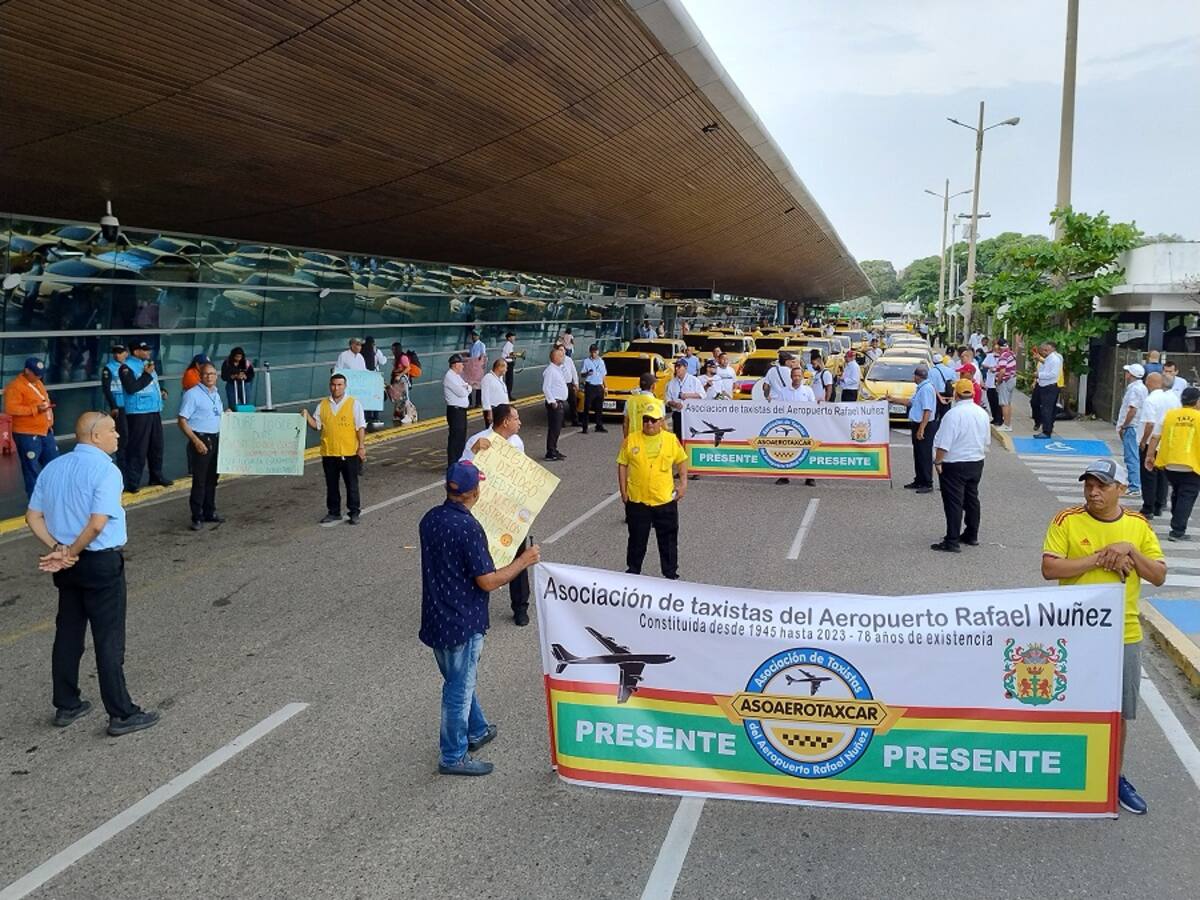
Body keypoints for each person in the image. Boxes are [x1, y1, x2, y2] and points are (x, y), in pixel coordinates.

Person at [1041, 458, 1165, 815]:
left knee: (1118, 711)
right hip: (1075, 632)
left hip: (1123, 634)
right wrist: (1100, 558)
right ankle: (1067, 772)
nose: (1093, 492)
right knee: (1072, 705)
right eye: (1088, 485)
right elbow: (1050, 568)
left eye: (1101, 485)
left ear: (1121, 489)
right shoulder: (1067, 520)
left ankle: (1114, 776)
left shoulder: (1138, 526)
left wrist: (1129, 550)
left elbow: (1158, 575)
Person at [25, 411, 159, 736]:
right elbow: (98, 523)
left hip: (68, 566)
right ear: (95, 436)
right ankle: (121, 713)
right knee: (109, 638)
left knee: (68, 633)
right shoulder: (106, 470)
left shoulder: (54, 467)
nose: (118, 435)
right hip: (99, 562)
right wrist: (71, 551)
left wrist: (59, 549)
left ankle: (67, 704)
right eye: (112, 430)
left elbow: (32, 516)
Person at [419, 461, 541, 775]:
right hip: (463, 620)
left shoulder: (429, 519)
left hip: (436, 616)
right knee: (458, 689)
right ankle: (452, 756)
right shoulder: (468, 527)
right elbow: (487, 581)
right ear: (474, 491)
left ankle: (476, 729)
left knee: (459, 679)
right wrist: (524, 561)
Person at [461, 404, 533, 625]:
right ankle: (473, 605)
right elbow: (460, 471)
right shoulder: (477, 440)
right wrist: (473, 451)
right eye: (516, 419)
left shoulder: (516, 442)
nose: (519, 423)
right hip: (485, 511)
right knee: (479, 559)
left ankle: (520, 607)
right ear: (505, 422)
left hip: (510, 510)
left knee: (518, 556)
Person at [617, 399, 688, 580]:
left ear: (661, 421)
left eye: (653, 420)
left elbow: (681, 460)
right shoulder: (631, 439)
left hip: (664, 500)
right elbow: (622, 464)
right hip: (638, 500)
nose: (649, 423)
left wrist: (683, 484)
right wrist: (623, 491)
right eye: (646, 420)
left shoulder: (671, 440)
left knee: (668, 541)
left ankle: (670, 575)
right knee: (636, 540)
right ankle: (633, 573)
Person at [931, 379, 991, 552]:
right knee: (972, 499)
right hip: (976, 461)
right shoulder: (982, 413)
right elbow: (986, 440)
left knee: (953, 502)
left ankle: (952, 540)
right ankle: (971, 534)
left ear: (956, 394)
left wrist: (938, 461)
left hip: (955, 462)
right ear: (973, 393)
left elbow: (944, 443)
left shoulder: (953, 415)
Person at [301, 373, 366, 525]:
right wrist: (306, 416)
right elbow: (317, 426)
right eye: (333, 385)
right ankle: (334, 512)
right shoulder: (323, 405)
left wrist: (361, 447)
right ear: (330, 386)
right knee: (331, 485)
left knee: (352, 484)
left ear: (345, 386)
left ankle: (354, 512)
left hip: (349, 452)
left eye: (339, 385)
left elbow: (360, 427)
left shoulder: (354, 404)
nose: (336, 388)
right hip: (329, 452)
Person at [1146, 386, 1200, 541]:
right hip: (1192, 464)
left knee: (1177, 491)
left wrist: (1149, 456)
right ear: (1197, 401)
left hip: (1169, 464)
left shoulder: (1169, 415)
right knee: (1187, 495)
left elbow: (1155, 437)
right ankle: (1177, 531)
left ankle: (1177, 521)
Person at [119, 341, 172, 493]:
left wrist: (162, 391)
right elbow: (131, 388)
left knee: (156, 445)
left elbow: (152, 384)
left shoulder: (147, 365)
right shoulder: (126, 367)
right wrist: (147, 374)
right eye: (145, 350)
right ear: (136, 352)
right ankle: (132, 482)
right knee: (138, 448)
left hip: (153, 410)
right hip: (138, 413)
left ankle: (156, 475)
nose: (148, 352)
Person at [177, 363, 225, 530]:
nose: (209, 377)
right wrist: (196, 441)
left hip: (215, 438)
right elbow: (182, 420)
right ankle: (197, 516)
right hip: (201, 438)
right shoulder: (192, 394)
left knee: (212, 479)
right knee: (200, 480)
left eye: (212, 374)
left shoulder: (216, 393)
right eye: (206, 374)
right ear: (200, 376)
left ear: (216, 376)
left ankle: (209, 511)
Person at [4, 357, 59, 498]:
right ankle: (35, 499)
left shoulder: (38, 383)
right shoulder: (15, 386)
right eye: (36, 374)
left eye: (40, 374)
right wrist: (35, 409)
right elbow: (11, 408)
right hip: (27, 433)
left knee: (54, 463)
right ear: (27, 370)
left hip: (44, 430)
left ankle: (53, 494)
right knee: (31, 467)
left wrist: (49, 423)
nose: (39, 376)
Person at [887, 365, 937, 494]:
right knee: (918, 453)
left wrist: (922, 428)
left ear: (918, 376)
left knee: (924, 454)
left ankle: (927, 482)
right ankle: (919, 480)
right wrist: (893, 399)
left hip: (924, 424)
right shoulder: (921, 388)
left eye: (914, 375)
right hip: (918, 423)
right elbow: (910, 402)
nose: (913, 377)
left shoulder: (926, 389)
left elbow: (927, 410)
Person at [1137, 371, 1179, 518]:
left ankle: (1148, 507)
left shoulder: (1151, 400)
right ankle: (1159, 504)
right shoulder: (1173, 399)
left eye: (1147, 381)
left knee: (1148, 474)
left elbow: (1150, 423)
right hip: (1166, 442)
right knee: (1162, 474)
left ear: (1150, 382)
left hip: (1152, 441)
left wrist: (1143, 440)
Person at [1116, 363, 1147, 498]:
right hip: (1137, 426)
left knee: (1131, 456)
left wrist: (1124, 425)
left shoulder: (1134, 390)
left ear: (1131, 375)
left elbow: (1132, 409)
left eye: (1128, 372)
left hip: (1132, 426)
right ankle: (1135, 483)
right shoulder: (1142, 388)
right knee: (1134, 456)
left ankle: (1134, 485)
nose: (1126, 374)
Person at [101, 344, 129, 473]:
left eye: (120, 352)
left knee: (129, 433)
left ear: (126, 353)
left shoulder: (128, 366)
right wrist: (113, 406)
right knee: (122, 434)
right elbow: (106, 389)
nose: (117, 355)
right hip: (118, 406)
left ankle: (127, 459)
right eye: (115, 353)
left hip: (129, 405)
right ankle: (121, 461)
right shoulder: (109, 368)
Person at [443, 354, 471, 464]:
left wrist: (466, 388)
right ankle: (453, 463)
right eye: (461, 364)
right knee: (455, 438)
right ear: (455, 365)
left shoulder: (457, 376)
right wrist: (466, 388)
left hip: (461, 411)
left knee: (461, 438)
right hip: (455, 411)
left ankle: (459, 461)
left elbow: (468, 387)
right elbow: (461, 392)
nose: (463, 366)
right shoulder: (449, 377)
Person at [542, 346, 569, 461]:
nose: (563, 357)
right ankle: (550, 452)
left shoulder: (558, 369)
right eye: (560, 356)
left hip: (559, 402)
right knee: (554, 428)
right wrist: (552, 401)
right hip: (555, 403)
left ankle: (554, 449)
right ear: (555, 357)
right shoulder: (550, 371)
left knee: (557, 429)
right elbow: (546, 387)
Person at [665, 359, 703, 438]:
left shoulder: (694, 380)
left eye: (679, 366)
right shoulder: (671, 383)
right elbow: (667, 400)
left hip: (691, 414)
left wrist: (687, 395)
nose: (676, 369)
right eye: (676, 366)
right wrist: (674, 404)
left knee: (691, 436)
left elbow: (702, 395)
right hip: (678, 414)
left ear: (685, 367)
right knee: (678, 436)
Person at [1032, 341, 1063, 438]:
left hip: (1050, 386)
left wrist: (1039, 375)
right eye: (1043, 350)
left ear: (1052, 349)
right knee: (1045, 407)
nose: (1043, 352)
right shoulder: (1048, 359)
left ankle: (1046, 431)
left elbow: (1053, 374)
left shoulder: (1055, 359)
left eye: (1046, 350)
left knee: (1047, 409)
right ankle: (1047, 428)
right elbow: (1045, 367)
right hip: (1044, 385)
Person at [579, 344, 608, 434]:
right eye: (592, 352)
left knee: (599, 408)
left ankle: (599, 425)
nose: (593, 354)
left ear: (598, 352)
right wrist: (587, 373)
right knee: (587, 407)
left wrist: (605, 386)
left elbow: (603, 375)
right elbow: (582, 374)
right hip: (590, 386)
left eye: (595, 352)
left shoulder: (601, 362)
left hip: (599, 386)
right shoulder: (586, 361)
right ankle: (585, 427)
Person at [361, 336, 388, 430]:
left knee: (367, 397)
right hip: (375, 376)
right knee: (376, 397)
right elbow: (383, 361)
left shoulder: (362, 351)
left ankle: (367, 417)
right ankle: (375, 417)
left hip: (365, 377)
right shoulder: (376, 351)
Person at [623, 372, 658, 438]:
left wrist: (626, 439)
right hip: (651, 440)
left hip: (633, 439)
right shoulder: (658, 403)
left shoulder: (629, 401)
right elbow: (662, 425)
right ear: (653, 386)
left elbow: (625, 424)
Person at [993, 339, 1017, 431]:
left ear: (998, 346)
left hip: (1005, 381)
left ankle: (1006, 425)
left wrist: (998, 382)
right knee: (1008, 403)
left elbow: (1002, 371)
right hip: (1011, 379)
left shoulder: (1003, 356)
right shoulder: (1010, 354)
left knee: (1004, 403)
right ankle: (1008, 423)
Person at [480, 358, 509, 428]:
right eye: (505, 367)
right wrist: (489, 412)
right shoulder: (488, 378)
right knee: (493, 430)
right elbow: (485, 397)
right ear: (499, 367)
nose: (506, 370)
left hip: (502, 410)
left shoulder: (500, 378)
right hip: (494, 410)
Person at [981, 344, 1002, 426]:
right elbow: (983, 364)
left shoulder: (1002, 357)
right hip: (989, 382)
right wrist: (990, 367)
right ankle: (994, 417)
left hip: (997, 381)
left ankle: (999, 418)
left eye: (998, 349)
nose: (996, 351)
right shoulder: (990, 356)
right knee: (991, 400)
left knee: (997, 401)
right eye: (995, 349)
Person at [466, 329, 487, 409]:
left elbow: (483, 355)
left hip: (478, 367)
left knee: (478, 385)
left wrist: (482, 362)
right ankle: (469, 402)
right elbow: (470, 355)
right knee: (469, 384)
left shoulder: (481, 345)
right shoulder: (471, 345)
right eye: (473, 335)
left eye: (475, 335)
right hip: (471, 367)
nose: (473, 337)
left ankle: (478, 402)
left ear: (478, 336)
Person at [559, 347, 580, 428]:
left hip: (569, 384)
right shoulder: (556, 361)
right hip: (561, 385)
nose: (561, 351)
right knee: (561, 404)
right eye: (559, 350)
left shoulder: (569, 360)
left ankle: (575, 421)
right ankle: (561, 422)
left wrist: (576, 383)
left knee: (573, 403)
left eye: (562, 350)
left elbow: (573, 371)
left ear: (565, 351)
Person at [500, 331, 517, 398]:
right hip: (508, 363)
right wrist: (516, 356)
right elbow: (509, 355)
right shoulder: (508, 345)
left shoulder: (509, 345)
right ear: (509, 338)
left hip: (508, 363)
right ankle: (508, 395)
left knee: (508, 379)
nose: (514, 338)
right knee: (509, 380)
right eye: (513, 337)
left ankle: (508, 394)